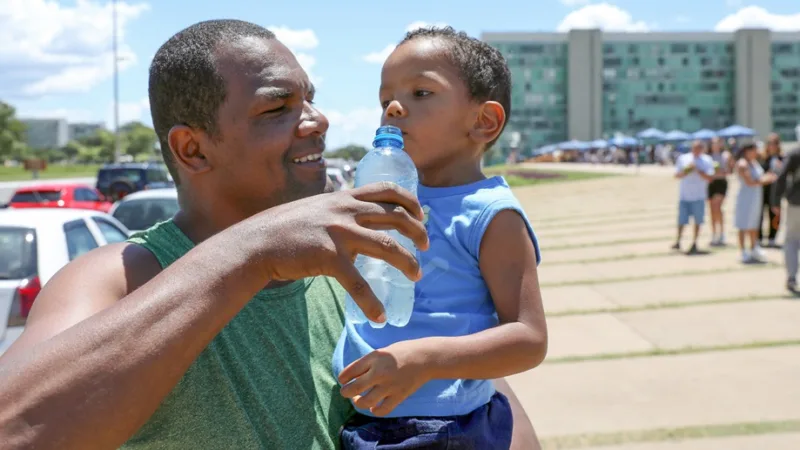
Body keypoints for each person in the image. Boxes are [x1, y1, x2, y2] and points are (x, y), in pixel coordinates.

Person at [0, 20, 541, 450]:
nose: (319, 120)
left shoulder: (353, 252)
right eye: (278, 108)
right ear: (193, 149)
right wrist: (255, 252)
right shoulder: (121, 275)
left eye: (311, 99)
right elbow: (16, 427)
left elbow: (474, 395)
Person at [332, 27, 547, 449]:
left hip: (444, 428)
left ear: (484, 121)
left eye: (421, 93)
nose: (393, 108)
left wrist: (425, 360)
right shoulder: (385, 196)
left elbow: (529, 338)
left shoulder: (490, 213)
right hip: (368, 418)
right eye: (385, 100)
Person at [735, 143, 777, 263]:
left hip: (755, 197)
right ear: (748, 151)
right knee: (743, 224)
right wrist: (767, 179)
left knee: (753, 224)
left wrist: (768, 176)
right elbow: (750, 181)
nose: (756, 152)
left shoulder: (754, 162)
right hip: (745, 197)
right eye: (754, 150)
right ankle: (743, 251)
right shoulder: (742, 163)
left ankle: (754, 248)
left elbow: (760, 177)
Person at [672, 140, 715, 254]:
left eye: (699, 148)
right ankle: (678, 240)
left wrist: (698, 170)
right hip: (684, 195)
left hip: (699, 196)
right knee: (681, 220)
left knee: (698, 221)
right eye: (695, 148)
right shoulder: (683, 158)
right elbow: (677, 175)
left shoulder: (707, 160)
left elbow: (710, 178)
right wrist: (688, 170)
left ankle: (694, 242)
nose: (697, 150)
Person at [771, 144, 800, 291]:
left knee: (792, 240)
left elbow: (781, 177)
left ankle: (792, 277)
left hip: (796, 202)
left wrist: (776, 201)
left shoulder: (794, 153)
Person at [759, 133, 784, 247]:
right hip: (762, 190)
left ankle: (772, 237)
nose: (772, 146)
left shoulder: (783, 158)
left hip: (776, 191)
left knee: (775, 215)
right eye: (770, 143)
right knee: (759, 214)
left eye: (774, 143)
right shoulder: (762, 158)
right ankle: (759, 238)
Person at [707, 136, 732, 246]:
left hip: (721, 183)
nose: (715, 145)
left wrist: (718, 172)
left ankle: (721, 233)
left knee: (718, 207)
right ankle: (714, 233)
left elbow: (729, 171)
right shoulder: (708, 156)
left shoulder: (725, 155)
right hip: (710, 183)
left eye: (717, 143)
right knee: (712, 209)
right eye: (713, 143)